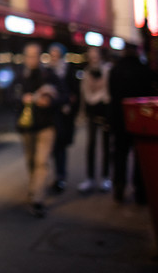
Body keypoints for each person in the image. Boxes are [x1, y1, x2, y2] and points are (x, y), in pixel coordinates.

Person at [109, 43, 158, 203]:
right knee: (139, 156)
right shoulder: (144, 70)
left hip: (120, 119)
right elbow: (151, 93)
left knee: (120, 154)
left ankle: (119, 187)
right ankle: (140, 192)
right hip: (139, 120)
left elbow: (112, 95)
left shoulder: (115, 70)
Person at [16, 42, 59, 218]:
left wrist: (50, 100)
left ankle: (37, 199)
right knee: (31, 161)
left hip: (46, 126)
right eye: (29, 55)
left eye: (35, 55)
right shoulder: (21, 76)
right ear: (25, 57)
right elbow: (10, 97)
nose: (32, 58)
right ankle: (34, 189)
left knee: (42, 162)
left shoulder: (49, 75)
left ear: (40, 56)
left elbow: (64, 95)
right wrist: (22, 99)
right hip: (27, 127)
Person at [77, 46, 112, 194]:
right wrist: (83, 112)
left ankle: (105, 177)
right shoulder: (86, 73)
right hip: (92, 113)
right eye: (91, 56)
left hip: (105, 113)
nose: (93, 58)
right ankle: (90, 178)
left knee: (106, 145)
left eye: (95, 55)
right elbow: (84, 95)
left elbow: (109, 91)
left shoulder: (107, 71)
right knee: (91, 144)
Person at [47, 42, 79, 194]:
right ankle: (55, 176)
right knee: (52, 147)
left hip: (65, 116)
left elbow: (75, 94)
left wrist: (69, 103)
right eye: (52, 54)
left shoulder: (69, 70)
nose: (54, 57)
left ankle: (60, 177)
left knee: (60, 147)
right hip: (51, 115)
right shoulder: (46, 72)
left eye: (56, 54)